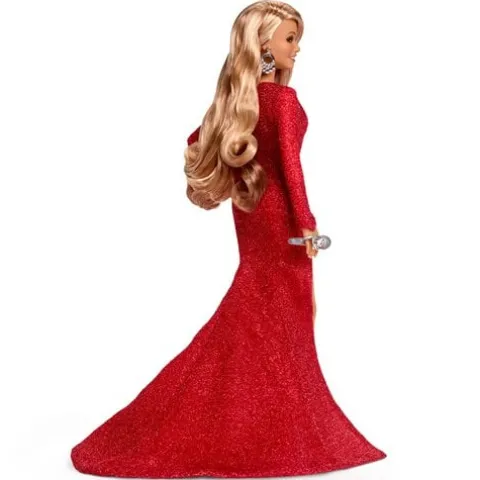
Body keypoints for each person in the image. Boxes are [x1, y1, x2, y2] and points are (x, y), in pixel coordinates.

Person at [70, 1, 387, 477]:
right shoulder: (283, 101)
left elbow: (197, 138)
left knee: (260, 309)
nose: (297, 49)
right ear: (264, 44)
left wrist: (243, 172)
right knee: (283, 311)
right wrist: (307, 223)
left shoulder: (238, 103)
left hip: (251, 210)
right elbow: (292, 168)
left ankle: (251, 413)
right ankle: (271, 423)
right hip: (281, 219)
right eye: (290, 39)